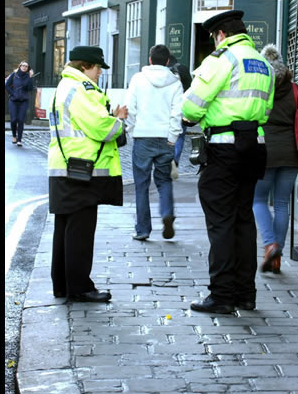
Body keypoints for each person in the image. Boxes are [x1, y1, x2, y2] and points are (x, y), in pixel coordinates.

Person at [181, 10, 274, 314]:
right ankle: (245, 294)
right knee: (243, 221)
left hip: (223, 148)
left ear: (220, 34)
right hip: (255, 147)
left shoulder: (222, 60)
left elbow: (192, 107)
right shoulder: (263, 64)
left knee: (221, 222)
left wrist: (196, 116)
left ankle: (221, 295)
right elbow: (267, 109)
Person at [48, 46, 128, 302]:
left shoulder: (64, 86)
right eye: (97, 69)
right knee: (80, 233)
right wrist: (119, 120)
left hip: (66, 167)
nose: (98, 75)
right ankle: (80, 287)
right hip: (82, 170)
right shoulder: (79, 89)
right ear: (85, 66)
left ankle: (62, 284)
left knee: (65, 230)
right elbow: (100, 127)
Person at [252, 44, 298, 274]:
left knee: (257, 200)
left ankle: (270, 245)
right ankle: (276, 258)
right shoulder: (295, 89)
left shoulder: (259, 87)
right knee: (281, 204)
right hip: (291, 152)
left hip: (264, 150)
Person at [125, 44, 184, 241]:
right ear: (168, 61)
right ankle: (167, 213)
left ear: (150, 59)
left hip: (142, 137)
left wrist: (132, 130)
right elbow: (178, 113)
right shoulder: (175, 82)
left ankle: (143, 229)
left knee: (141, 184)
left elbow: (131, 108)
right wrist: (173, 137)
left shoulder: (137, 79)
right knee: (164, 180)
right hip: (165, 138)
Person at [167, 55, 193, 179]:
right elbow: (191, 88)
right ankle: (175, 161)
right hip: (182, 107)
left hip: (167, 108)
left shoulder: (165, 70)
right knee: (180, 135)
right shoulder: (183, 69)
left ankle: (166, 160)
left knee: (167, 134)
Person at [5, 61, 34, 146]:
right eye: (23, 65)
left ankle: (19, 140)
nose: (24, 67)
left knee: (21, 120)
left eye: (26, 66)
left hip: (23, 101)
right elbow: (6, 85)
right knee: (13, 120)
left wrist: (31, 77)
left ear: (28, 68)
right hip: (13, 100)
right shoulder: (14, 75)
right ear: (20, 66)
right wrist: (12, 93)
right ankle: (14, 135)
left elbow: (30, 88)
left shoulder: (28, 76)